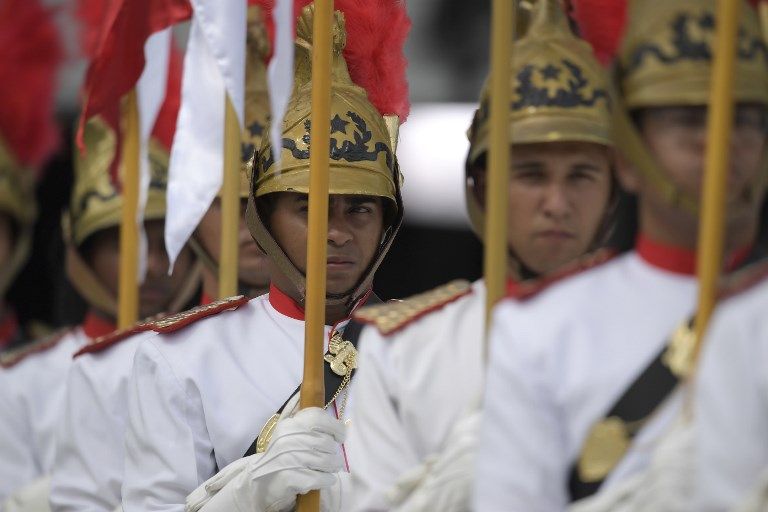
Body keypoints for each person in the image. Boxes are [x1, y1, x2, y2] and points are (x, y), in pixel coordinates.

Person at [474, 0, 768, 509]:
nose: (721, 140)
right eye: (688, 120)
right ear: (628, 160)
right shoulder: (539, 328)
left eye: (745, 120)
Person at [119, 2, 410, 511]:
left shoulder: (430, 344)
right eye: (309, 209)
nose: (336, 233)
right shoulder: (183, 356)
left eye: (360, 209)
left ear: (387, 221)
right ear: (264, 219)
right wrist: (243, 498)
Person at [347, 2, 615, 511]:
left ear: (614, 190)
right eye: (531, 175)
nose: (556, 203)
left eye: (581, 176)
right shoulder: (403, 348)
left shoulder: (673, 328)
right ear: (482, 188)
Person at [48, 7, 273, 511]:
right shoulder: (125, 364)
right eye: (223, 203)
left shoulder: (361, 343)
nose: (248, 224)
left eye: (266, 203)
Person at [0, 42, 198, 509]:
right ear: (82, 252)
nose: (152, 265)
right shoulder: (20, 381)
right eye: (125, 244)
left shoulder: (213, 357)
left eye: (166, 241)